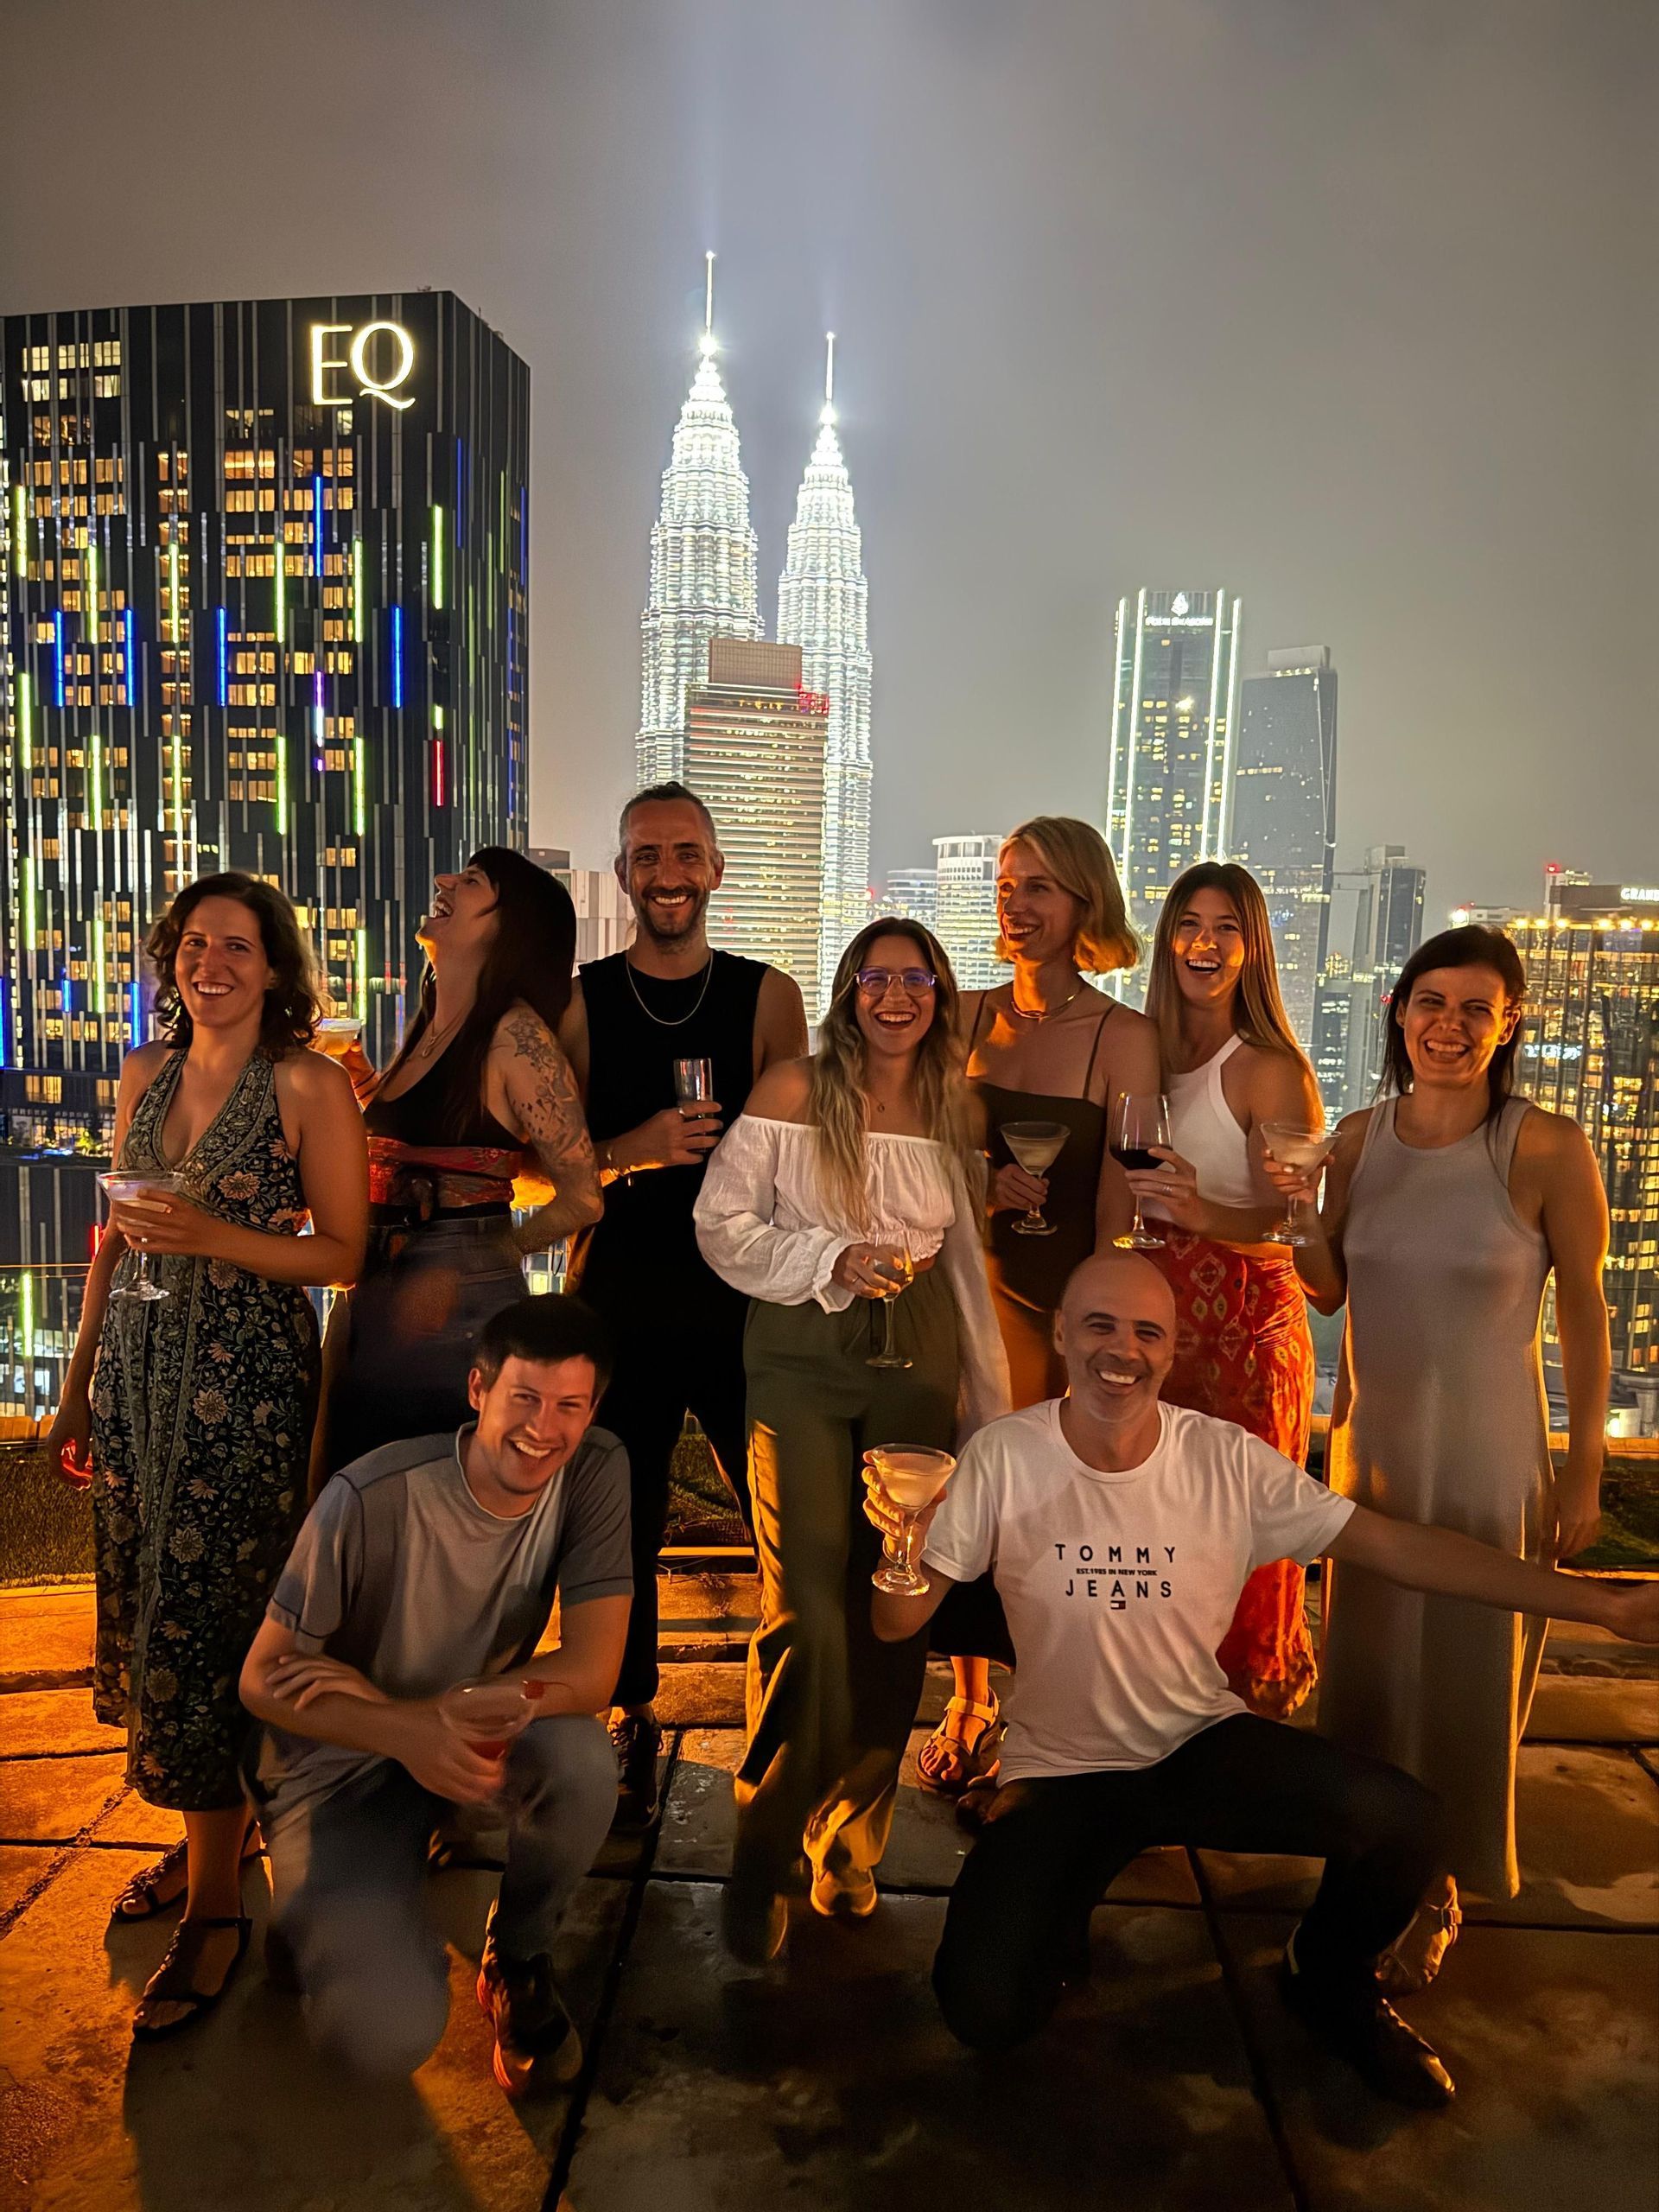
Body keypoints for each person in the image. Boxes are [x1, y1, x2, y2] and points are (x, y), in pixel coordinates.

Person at [868, 1251, 1656, 2107]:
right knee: (986, 2011)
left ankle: (1326, 1974)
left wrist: (1602, 1606)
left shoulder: (1220, 1461)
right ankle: (1056, 1914)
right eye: (1098, 1324)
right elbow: (897, 1622)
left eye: (1146, 1332)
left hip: (1196, 1746)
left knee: (1405, 1819)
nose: (1120, 1349)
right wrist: (899, 1547)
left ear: (1171, 1351)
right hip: (1062, 1773)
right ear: (1061, 1333)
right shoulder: (1002, 1456)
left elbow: (1398, 1548)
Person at [46, 873, 368, 2038]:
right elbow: (109, 1240)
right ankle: (203, 1848)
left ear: (275, 967)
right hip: (136, 1379)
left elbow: (340, 1254)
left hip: (247, 1390)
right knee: (152, 1614)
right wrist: (77, 1385)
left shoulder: (308, 1085)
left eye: (237, 946)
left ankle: (220, 1903)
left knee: (216, 1619)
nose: (211, 963)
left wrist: (216, 1236)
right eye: (192, 944)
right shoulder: (141, 1073)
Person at [1262, 925, 1611, 1991]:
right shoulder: (1361, 1137)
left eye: (1475, 1008)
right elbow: (1326, 1289)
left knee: (1468, 1677)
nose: (1448, 1026)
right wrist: (1296, 1210)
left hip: (1490, 1456)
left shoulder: (1545, 1146)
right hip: (1373, 1455)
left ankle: (1444, 1882)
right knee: (1371, 1677)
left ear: (1508, 1023)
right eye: (1430, 1003)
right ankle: (1369, 1858)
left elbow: (1588, 1319)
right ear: (1397, 1012)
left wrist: (1585, 1468)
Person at [693, 918, 1010, 1962]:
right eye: (875, 977)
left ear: (939, 992)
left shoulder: (956, 1103)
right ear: (848, 989)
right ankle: (772, 1830)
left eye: (914, 978)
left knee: (896, 1599)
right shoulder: (793, 1088)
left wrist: (991, 1406)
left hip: (916, 1355)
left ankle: (850, 1835)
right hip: (798, 1346)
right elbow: (719, 1222)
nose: (894, 996)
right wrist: (834, 1253)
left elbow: (965, 1261)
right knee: (804, 1597)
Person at [238, 1295, 630, 2097]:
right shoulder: (371, 1495)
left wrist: (430, 1713)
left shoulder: (593, 1470)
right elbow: (262, 1680)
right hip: (337, 1758)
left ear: (592, 1411)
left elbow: (592, 1672)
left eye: (569, 1407)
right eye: (524, 1398)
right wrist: (394, 1726)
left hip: (463, 1731)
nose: (544, 1429)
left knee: (585, 1759)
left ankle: (515, 1957)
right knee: (380, 2037)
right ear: (479, 1389)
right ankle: (334, 1903)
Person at [559, 782, 807, 1828]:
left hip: (744, 1298)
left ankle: (793, 1719)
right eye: (646, 855)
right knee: (619, 1523)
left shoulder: (767, 995)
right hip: (618, 1296)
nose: (667, 873)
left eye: (685, 853)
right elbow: (543, 1168)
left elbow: (806, 1157)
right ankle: (627, 1715)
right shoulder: (580, 1001)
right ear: (623, 874)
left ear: (715, 867)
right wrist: (632, 1151)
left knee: (785, 1519)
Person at [925, 817, 1158, 1802]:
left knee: (1050, 1508)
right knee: (960, 1495)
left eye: (1041, 889)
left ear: (1085, 905)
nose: (1016, 905)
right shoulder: (963, 1017)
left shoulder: (1123, 1034)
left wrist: (1092, 1332)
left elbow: (1120, 1194)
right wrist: (980, 1183)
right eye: (1008, 885)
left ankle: (1047, 1712)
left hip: (1057, 1307)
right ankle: (968, 1699)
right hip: (954, 1300)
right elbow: (919, 1153)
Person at [1123, 861, 1327, 1719]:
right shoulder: (1140, 1046)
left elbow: (1298, 1225)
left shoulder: (1269, 1066)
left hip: (1244, 1336)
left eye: (1226, 928)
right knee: (1143, 1536)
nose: (1204, 944)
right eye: (1188, 924)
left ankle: (1236, 1748)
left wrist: (1198, 1208)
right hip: (1152, 1326)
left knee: (1229, 1541)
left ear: (1252, 949)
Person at [323, 848, 601, 1472]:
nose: (444, 881)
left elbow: (583, 1195)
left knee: (425, 1515)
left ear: (509, 926)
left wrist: (489, 1248)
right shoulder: (432, 1024)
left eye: (472, 882)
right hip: (376, 1314)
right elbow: (437, 1137)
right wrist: (362, 1079)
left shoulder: (515, 1036)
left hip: (458, 1336)